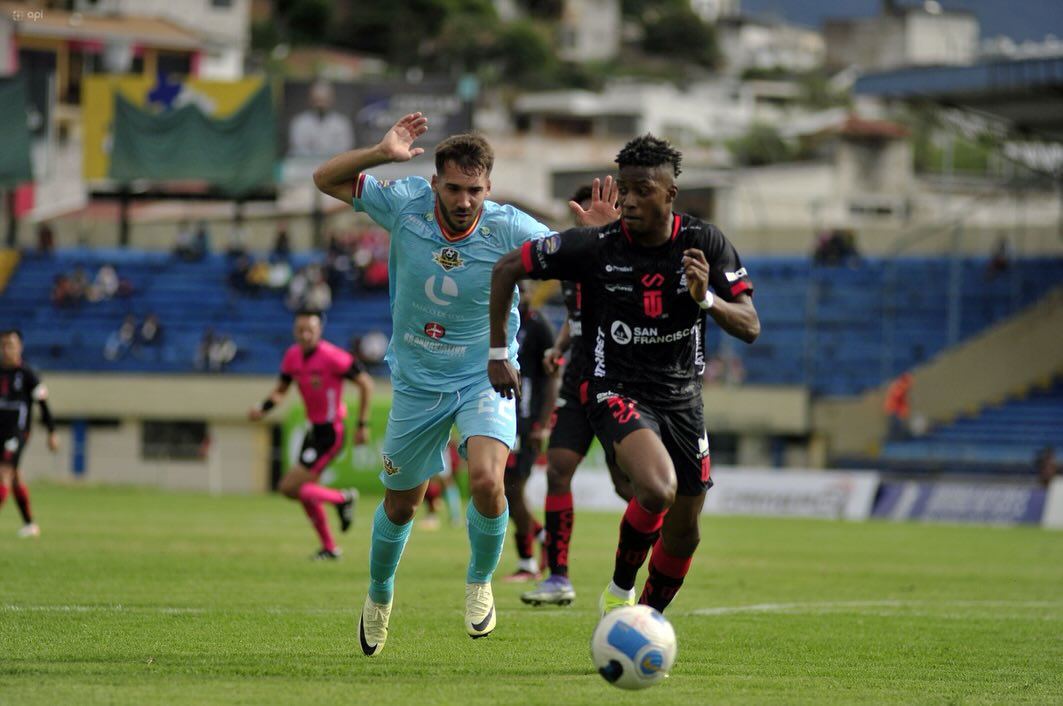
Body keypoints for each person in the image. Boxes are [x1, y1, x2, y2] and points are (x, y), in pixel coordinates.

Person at [312, 111, 616, 655]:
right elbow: (325, 179)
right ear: (434, 183)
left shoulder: (510, 227)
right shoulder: (404, 202)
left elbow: (584, 260)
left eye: (474, 190)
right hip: (417, 382)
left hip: (484, 376)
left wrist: (597, 235)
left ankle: (479, 585)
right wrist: (381, 152)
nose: (463, 200)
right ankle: (379, 596)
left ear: (488, 188)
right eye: (452, 188)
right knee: (402, 503)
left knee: (486, 481)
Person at [489, 133, 760, 617]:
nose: (630, 200)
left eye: (642, 190)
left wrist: (705, 299)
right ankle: (615, 588)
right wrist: (496, 351)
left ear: (669, 194)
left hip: (682, 399)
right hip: (614, 387)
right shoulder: (596, 246)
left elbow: (750, 325)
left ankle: (647, 619)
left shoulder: (704, 242)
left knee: (685, 530)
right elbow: (508, 267)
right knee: (655, 489)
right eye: (625, 189)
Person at [520, 185, 635, 608]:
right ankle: (559, 577)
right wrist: (559, 348)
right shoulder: (571, 261)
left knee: (628, 484)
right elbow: (576, 316)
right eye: (580, 213)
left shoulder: (632, 259)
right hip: (578, 376)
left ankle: (644, 561)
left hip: (620, 378)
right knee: (558, 470)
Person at [248, 310, 373, 560]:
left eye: (310, 330)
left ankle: (343, 498)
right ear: (295, 331)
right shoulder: (292, 356)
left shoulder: (333, 357)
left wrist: (362, 424)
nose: (305, 335)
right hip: (313, 430)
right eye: (301, 330)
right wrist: (263, 407)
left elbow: (366, 383)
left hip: (331, 431)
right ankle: (329, 547)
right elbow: (281, 390)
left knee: (288, 487)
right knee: (305, 491)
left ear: (319, 331)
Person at [502, 281, 559, 582]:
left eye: (523, 290)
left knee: (512, 489)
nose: (520, 296)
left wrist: (541, 424)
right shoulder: (498, 321)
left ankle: (527, 563)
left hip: (525, 422)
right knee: (496, 489)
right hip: (499, 418)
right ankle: (541, 536)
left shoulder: (538, 326)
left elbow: (552, 378)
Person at [0, 330, 59, 538]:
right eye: (4, 345)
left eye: (11, 345)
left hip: (17, 432)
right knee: (15, 477)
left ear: (20, 347)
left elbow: (43, 404)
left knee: (4, 474)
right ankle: (30, 524)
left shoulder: (27, 374)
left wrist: (52, 431)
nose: (7, 349)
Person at [289, 80, 354, 158]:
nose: (321, 104)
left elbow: (346, 149)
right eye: (317, 100)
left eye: (324, 100)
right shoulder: (299, 122)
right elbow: (298, 149)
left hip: (335, 166)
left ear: (332, 99)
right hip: (305, 167)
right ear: (310, 99)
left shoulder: (342, 123)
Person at [884, 371, 913, 441]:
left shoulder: (900, 387)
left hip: (896, 410)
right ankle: (895, 438)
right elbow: (897, 398)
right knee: (895, 426)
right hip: (894, 410)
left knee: (897, 425)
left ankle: (899, 437)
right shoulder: (898, 387)